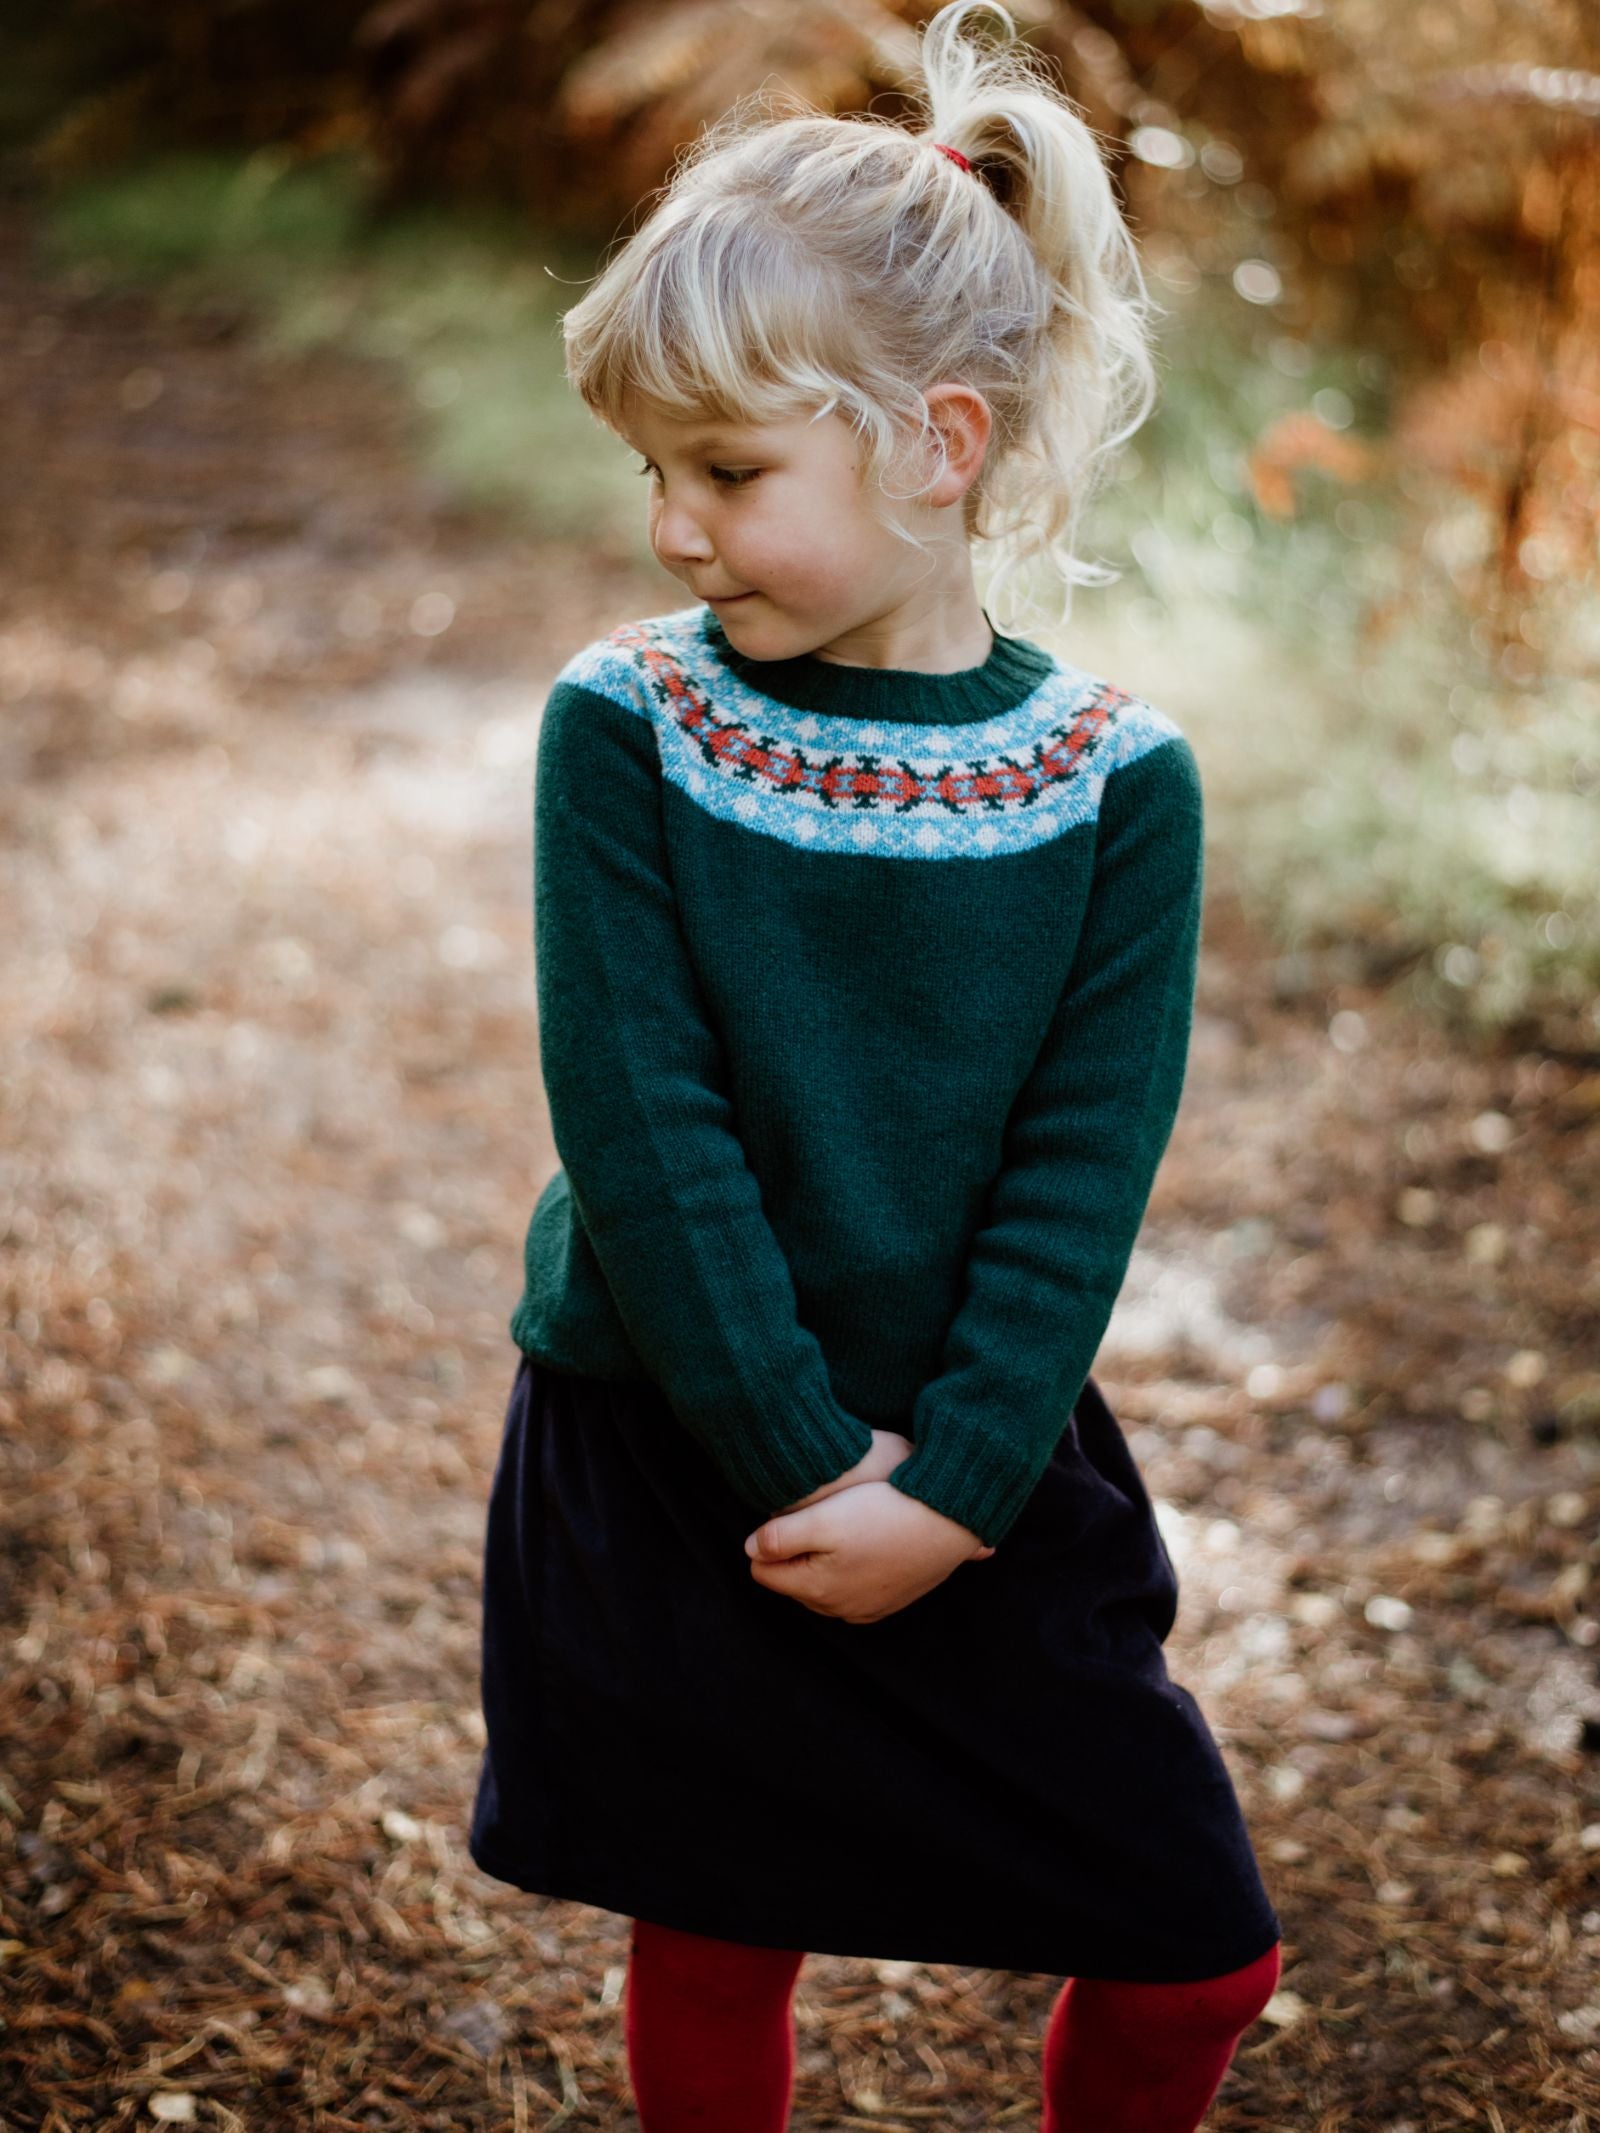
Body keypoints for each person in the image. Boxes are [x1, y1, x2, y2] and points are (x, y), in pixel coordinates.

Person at [467, 4, 1284, 2126]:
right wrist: (795, 1458)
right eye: (650, 471)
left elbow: (1078, 1164)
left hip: (975, 1458)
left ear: (936, 445)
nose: (671, 530)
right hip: (680, 1440)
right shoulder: (625, 725)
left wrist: (951, 1486)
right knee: (716, 1912)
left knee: (1199, 1954)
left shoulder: (1113, 781)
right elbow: (643, 1124)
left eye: (728, 473)